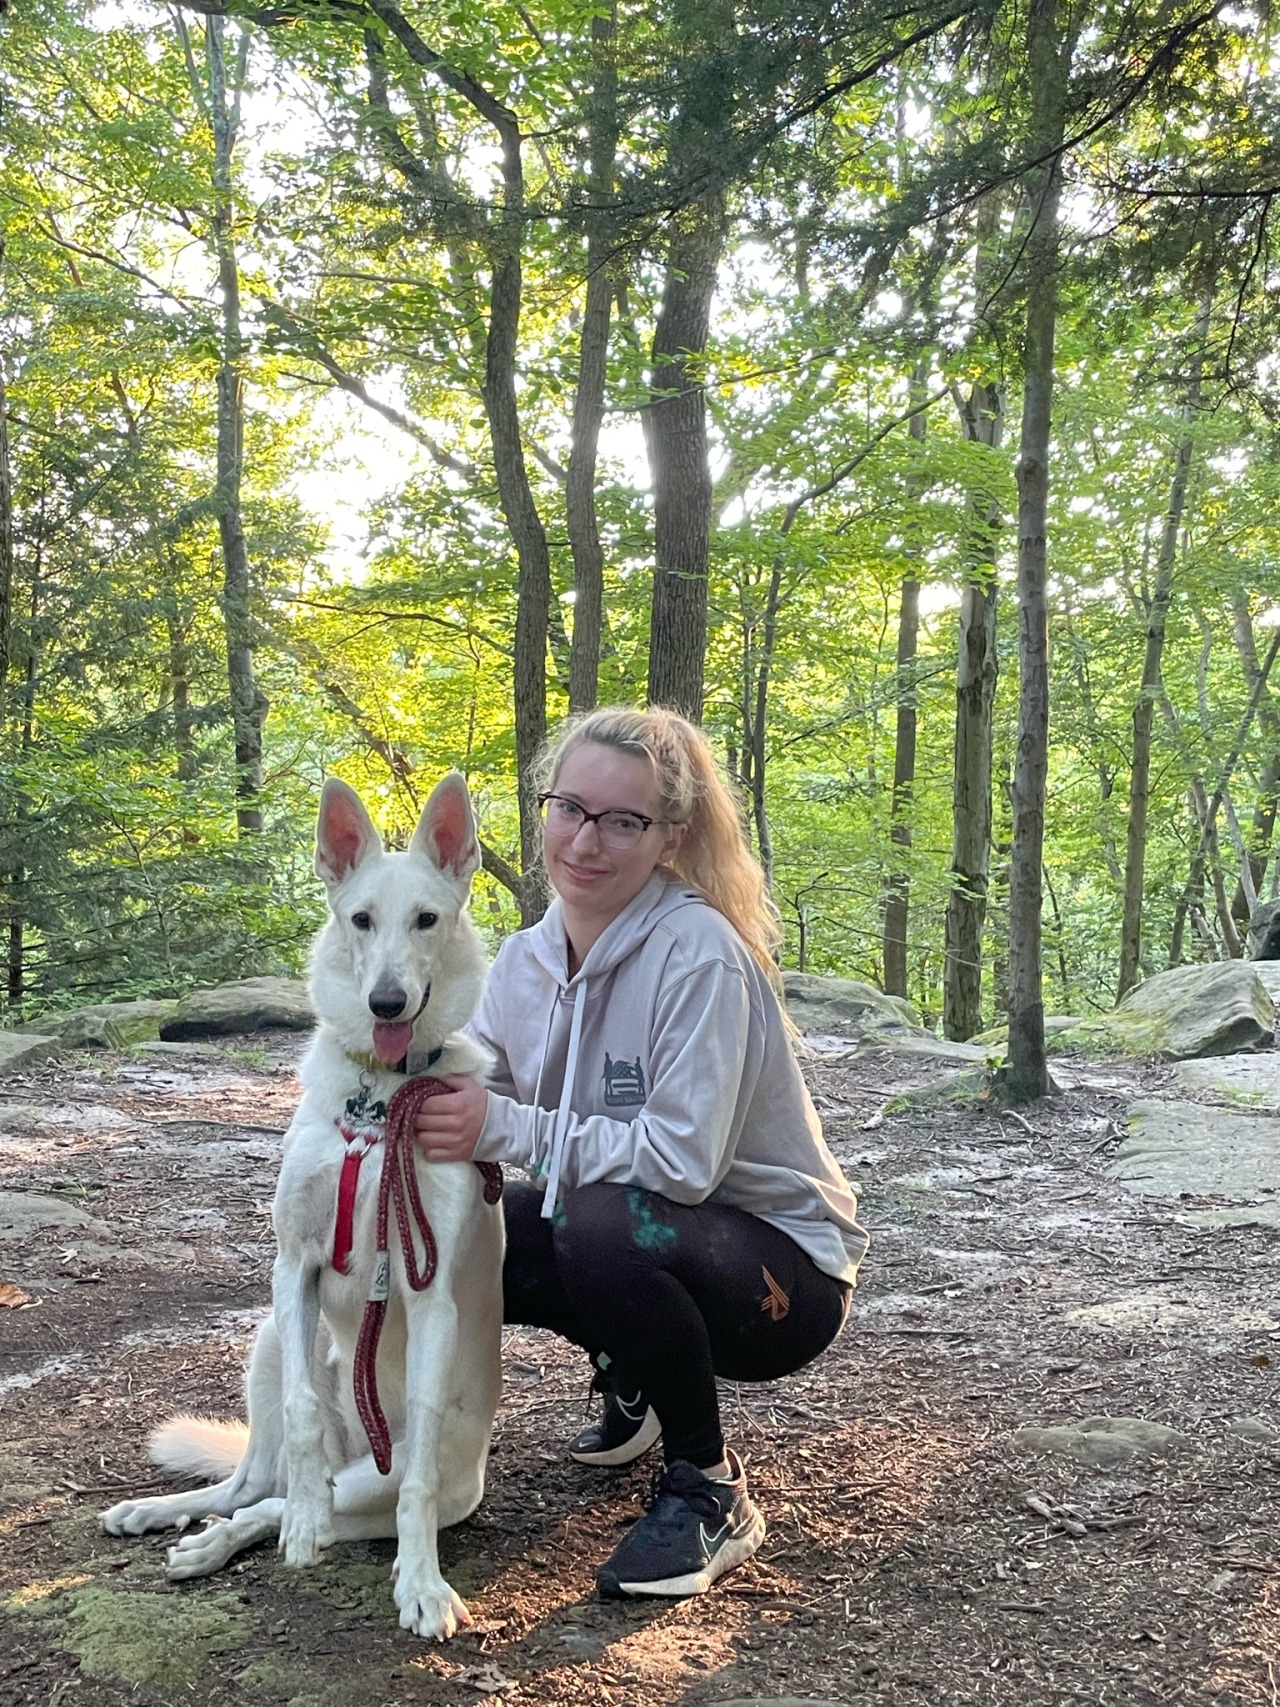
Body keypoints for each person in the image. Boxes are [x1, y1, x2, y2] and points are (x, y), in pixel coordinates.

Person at [413, 705, 868, 1600]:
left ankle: (709, 1484)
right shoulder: (524, 959)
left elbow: (680, 1164)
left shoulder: (700, 954)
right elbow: (471, 1077)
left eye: (624, 820)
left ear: (671, 837)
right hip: (643, 1232)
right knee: (469, 1237)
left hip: (781, 1279)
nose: (586, 841)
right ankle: (636, 1382)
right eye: (569, 809)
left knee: (599, 1219)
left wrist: (499, 1128)